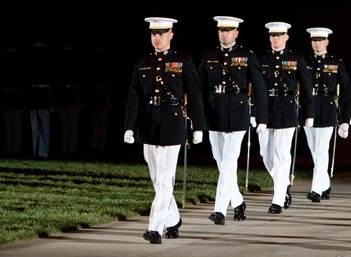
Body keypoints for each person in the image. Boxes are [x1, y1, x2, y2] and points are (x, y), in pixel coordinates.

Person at [123, 17, 206, 244]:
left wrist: (198, 126)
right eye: (153, 34)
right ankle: (173, 219)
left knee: (164, 181)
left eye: (161, 34)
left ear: (171, 35)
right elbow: (134, 97)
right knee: (156, 178)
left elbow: (195, 95)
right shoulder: (142, 63)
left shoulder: (183, 61)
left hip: (172, 124)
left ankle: (154, 228)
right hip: (148, 124)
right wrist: (129, 127)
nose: (156, 38)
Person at [197, 16, 268, 224]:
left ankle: (219, 210)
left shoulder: (247, 56)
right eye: (221, 31)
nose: (224, 34)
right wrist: (199, 117)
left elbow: (260, 90)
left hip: (237, 113)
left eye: (228, 31)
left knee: (228, 161)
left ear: (236, 33)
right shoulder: (208, 56)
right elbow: (199, 89)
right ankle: (237, 202)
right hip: (214, 112)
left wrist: (260, 116)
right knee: (221, 162)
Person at [255, 22, 314, 214]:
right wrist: (253, 113)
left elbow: (306, 88)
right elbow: (255, 88)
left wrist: (308, 113)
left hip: (286, 109)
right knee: (266, 154)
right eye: (272, 36)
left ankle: (278, 199)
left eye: (279, 36)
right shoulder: (261, 58)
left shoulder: (296, 59)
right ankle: (284, 184)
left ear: (286, 37)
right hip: (265, 110)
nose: (275, 39)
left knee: (282, 154)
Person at [303, 27, 351, 203]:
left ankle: (316, 190)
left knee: (321, 151)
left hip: (327, 110)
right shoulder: (304, 62)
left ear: (327, 42)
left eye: (320, 40)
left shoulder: (336, 64)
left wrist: (345, 119)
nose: (317, 44)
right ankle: (325, 184)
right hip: (309, 111)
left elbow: (349, 90)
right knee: (314, 151)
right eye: (314, 40)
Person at [25, 42, 53, 159]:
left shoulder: (46, 66)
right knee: (35, 127)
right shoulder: (32, 66)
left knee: (44, 127)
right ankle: (37, 151)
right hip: (35, 97)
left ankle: (43, 152)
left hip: (43, 98)